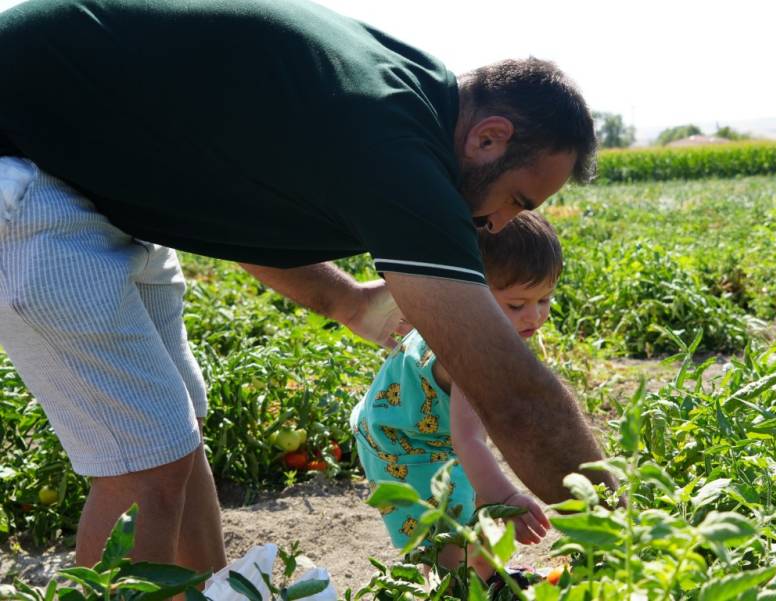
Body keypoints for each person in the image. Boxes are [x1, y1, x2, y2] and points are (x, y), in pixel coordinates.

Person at [0, 0, 611, 576]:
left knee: (179, 430)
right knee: (145, 464)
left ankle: (211, 586)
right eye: (516, 200)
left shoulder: (408, 96)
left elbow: (234, 213)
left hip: (93, 180)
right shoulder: (399, 149)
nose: (500, 225)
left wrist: (346, 302)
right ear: (488, 138)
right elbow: (513, 396)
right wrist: (626, 535)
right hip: (24, 164)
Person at [352, 211, 561, 581]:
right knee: (446, 529)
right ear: (473, 290)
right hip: (400, 443)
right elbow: (469, 440)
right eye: (517, 305)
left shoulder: (458, 315)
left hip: (424, 427)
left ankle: (489, 574)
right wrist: (507, 498)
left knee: (472, 499)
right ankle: (458, 584)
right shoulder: (471, 350)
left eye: (544, 300)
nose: (535, 316)